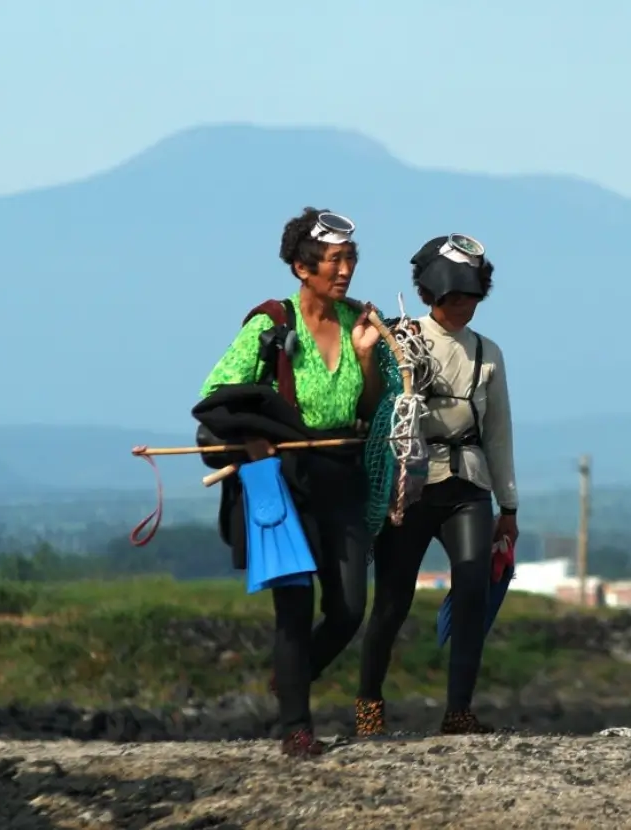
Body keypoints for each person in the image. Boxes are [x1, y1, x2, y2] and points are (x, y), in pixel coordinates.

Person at [196, 206, 382, 758]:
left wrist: (368, 359)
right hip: (286, 481)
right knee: (294, 608)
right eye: (333, 260)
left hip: (342, 475)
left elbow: (368, 408)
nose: (345, 270)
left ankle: (292, 676)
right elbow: (217, 394)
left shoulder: (357, 323)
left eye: (350, 258)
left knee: (349, 609)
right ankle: (296, 727)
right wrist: (255, 439)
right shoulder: (271, 323)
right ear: (302, 268)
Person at [355, 232, 519, 737]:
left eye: (471, 296)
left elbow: (499, 431)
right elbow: (374, 404)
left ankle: (459, 712)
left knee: (472, 585)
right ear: (431, 295)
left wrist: (508, 506)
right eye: (454, 297)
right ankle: (368, 706)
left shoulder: (488, 354)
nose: (463, 305)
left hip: (468, 484)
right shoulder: (402, 338)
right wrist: (370, 356)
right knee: (392, 601)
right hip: (410, 484)